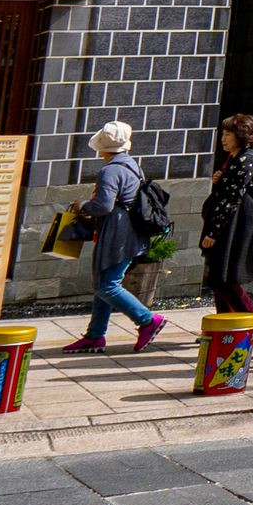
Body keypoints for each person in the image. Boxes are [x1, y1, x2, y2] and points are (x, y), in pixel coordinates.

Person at [63, 121, 164, 353]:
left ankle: (148, 321)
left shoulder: (109, 170)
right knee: (105, 282)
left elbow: (103, 206)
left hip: (118, 234)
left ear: (102, 147)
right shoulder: (132, 165)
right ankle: (95, 335)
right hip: (130, 231)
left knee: (107, 286)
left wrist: (82, 205)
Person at [200, 113, 253, 313]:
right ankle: (225, 323)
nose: (223, 139)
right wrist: (220, 179)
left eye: (228, 134)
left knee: (222, 278)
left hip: (236, 226)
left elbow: (231, 200)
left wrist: (213, 233)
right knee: (220, 277)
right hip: (231, 223)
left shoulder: (245, 161)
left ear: (241, 136)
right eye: (223, 134)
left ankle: (250, 314)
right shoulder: (235, 158)